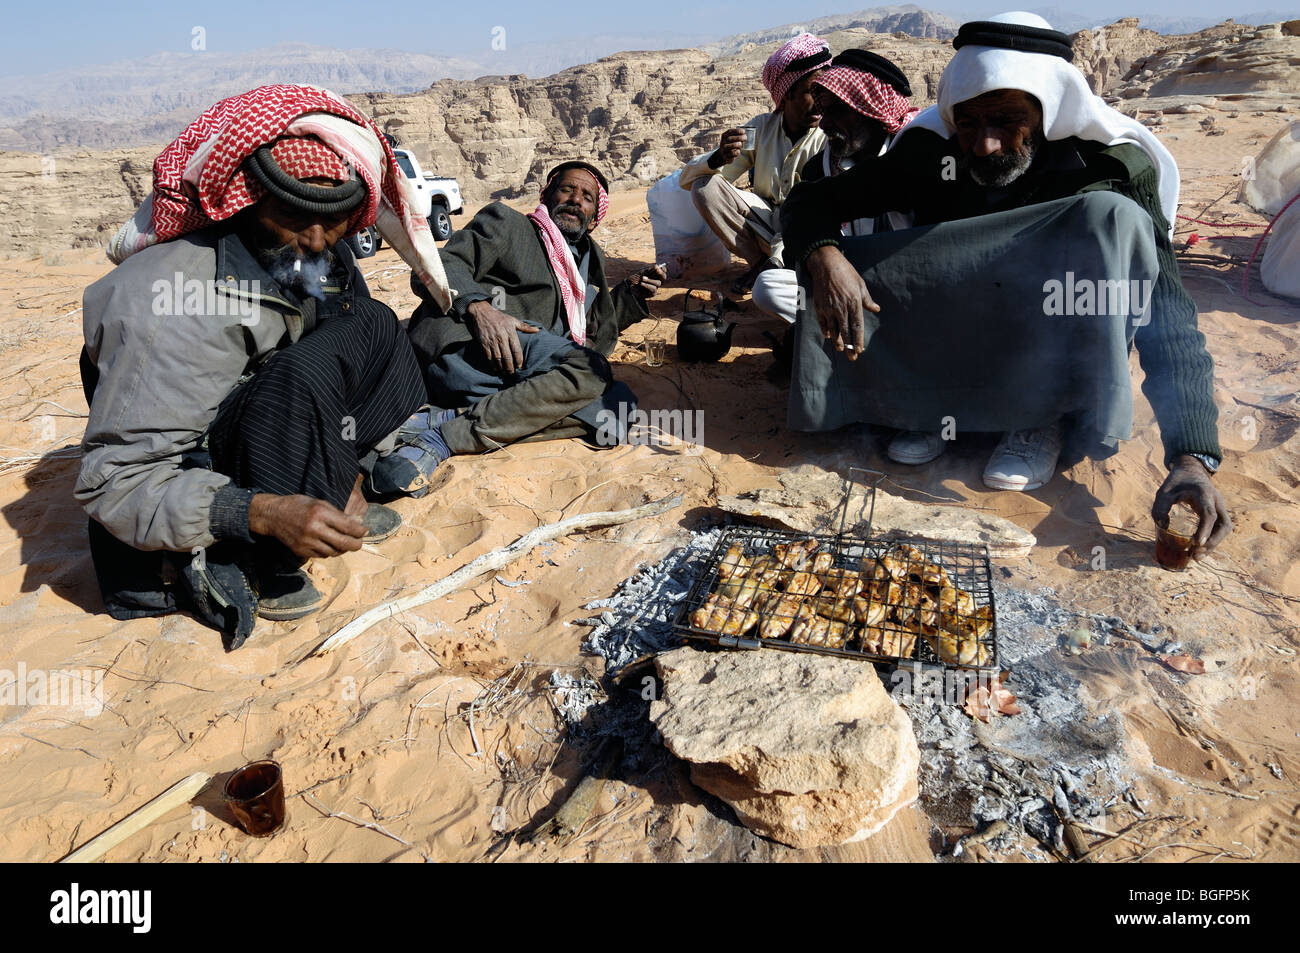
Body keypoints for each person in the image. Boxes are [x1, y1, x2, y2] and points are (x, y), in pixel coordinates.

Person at [780, 12, 1231, 556]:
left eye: (1005, 121)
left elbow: (1170, 315)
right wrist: (825, 257)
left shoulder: (1108, 164)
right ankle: (928, 407)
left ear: (1048, 113)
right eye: (968, 124)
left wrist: (1190, 457)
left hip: (1049, 339)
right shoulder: (932, 152)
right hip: (952, 331)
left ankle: (1042, 420)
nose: (985, 145)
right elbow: (813, 202)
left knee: (1112, 218)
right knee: (835, 261)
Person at [78, 85, 452, 649]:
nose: (315, 239)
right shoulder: (173, 303)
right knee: (297, 380)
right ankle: (260, 557)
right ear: (247, 198)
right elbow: (115, 481)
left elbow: (330, 343)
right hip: (189, 448)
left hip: (266, 404)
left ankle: (324, 482)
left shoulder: (321, 249)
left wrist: (344, 469)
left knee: (373, 325)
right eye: (294, 216)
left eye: (335, 220)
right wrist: (259, 511)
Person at [381, 161, 663, 494]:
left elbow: (587, 326)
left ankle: (448, 420)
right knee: (593, 372)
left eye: (587, 196)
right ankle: (442, 440)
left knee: (616, 411)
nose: (576, 199)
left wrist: (630, 294)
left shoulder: (588, 258)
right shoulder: (509, 224)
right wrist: (479, 308)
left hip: (531, 366)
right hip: (475, 347)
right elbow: (436, 266)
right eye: (567, 189)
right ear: (548, 195)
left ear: (595, 214)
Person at [752, 48, 918, 326]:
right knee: (769, 287)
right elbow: (798, 212)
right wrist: (824, 256)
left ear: (871, 110)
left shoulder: (912, 155)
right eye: (823, 111)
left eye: (838, 111)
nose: (825, 124)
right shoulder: (821, 166)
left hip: (912, 282)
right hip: (845, 281)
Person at [679, 32, 829, 294]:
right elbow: (687, 179)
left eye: (824, 91)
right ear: (786, 95)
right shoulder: (760, 128)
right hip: (766, 226)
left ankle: (775, 266)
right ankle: (759, 265)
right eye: (811, 91)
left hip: (806, 234)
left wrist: (778, 256)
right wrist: (718, 158)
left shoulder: (828, 137)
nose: (821, 100)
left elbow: (808, 212)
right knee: (704, 187)